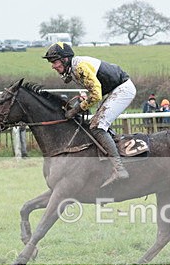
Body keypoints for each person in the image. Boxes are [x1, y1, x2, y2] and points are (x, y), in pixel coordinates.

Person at [43, 42, 135, 187]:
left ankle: (119, 169)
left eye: (55, 62)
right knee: (95, 123)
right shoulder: (73, 68)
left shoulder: (80, 67)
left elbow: (96, 95)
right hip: (113, 89)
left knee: (98, 126)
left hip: (122, 89)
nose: (53, 66)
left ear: (65, 59)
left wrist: (76, 109)